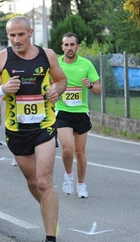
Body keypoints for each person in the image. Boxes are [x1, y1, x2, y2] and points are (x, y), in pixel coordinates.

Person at [0, 16, 67, 242]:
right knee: (32, 182)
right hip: (16, 131)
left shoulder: (47, 55)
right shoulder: (1, 59)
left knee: (44, 181)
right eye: (12, 36)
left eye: (21, 35)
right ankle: (51, 212)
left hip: (44, 126)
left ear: (30, 33)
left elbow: (61, 80)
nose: (16, 40)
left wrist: (56, 91)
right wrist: (1, 90)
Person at [56, 32, 102, 198]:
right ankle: (68, 175)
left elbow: (98, 89)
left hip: (81, 112)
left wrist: (89, 85)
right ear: (62, 47)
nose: (69, 48)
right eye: (66, 45)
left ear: (77, 46)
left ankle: (81, 184)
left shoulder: (86, 64)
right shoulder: (57, 64)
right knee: (68, 150)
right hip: (62, 111)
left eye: (72, 45)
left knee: (80, 152)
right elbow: (46, 84)